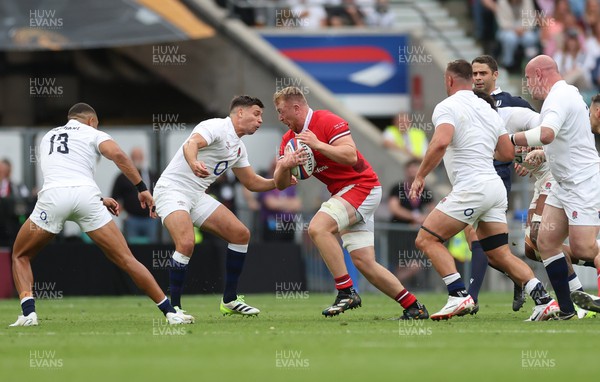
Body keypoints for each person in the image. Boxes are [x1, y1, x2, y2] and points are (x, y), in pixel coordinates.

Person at [9, 103, 193, 326]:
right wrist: (142, 189)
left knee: (20, 255)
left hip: (53, 199)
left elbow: (63, 176)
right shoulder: (92, 133)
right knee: (126, 259)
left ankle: (29, 314)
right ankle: (170, 312)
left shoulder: (49, 135)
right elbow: (118, 155)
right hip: (87, 199)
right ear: (91, 121)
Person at [410, 60, 559, 321]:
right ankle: (544, 300)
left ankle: (458, 294)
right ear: (471, 79)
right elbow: (506, 152)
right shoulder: (488, 108)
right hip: (494, 187)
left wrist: (420, 175)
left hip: (472, 187)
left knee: (426, 239)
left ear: (449, 80)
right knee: (498, 253)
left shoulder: (447, 106)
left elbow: (440, 142)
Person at [273, 86, 429, 320]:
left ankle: (345, 291)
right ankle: (414, 307)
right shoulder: (289, 140)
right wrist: (285, 165)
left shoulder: (326, 120)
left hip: (362, 186)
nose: (280, 117)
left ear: (296, 108)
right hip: (345, 194)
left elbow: (351, 155)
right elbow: (281, 183)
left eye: (282, 111)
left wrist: (318, 145)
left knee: (318, 227)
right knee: (365, 263)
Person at [154, 95, 278, 316]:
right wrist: (193, 162)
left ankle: (229, 300)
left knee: (241, 234)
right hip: (172, 189)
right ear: (240, 112)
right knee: (186, 242)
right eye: (256, 114)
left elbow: (251, 182)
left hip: (196, 195)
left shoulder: (239, 148)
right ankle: (175, 308)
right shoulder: (216, 126)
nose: (260, 121)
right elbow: (192, 144)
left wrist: (278, 181)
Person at [511, 55, 600, 318]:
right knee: (545, 242)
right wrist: (543, 154)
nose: (528, 85)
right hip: (564, 183)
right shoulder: (567, 94)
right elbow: (564, 140)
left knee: (584, 248)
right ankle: (567, 309)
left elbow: (547, 133)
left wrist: (509, 138)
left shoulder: (558, 96)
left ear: (539, 74)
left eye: (528, 78)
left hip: (581, 182)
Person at [468, 55, 535, 312]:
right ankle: (520, 276)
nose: (477, 78)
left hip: (496, 176)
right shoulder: (468, 102)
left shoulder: (511, 103)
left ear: (495, 75)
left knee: (477, 237)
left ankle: (470, 298)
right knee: (488, 245)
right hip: (471, 175)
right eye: (474, 73)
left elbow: (541, 128)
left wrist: (527, 154)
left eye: (483, 73)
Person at [111, 147, 159, 244]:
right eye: (135, 157)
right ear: (130, 158)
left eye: (139, 157)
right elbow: (114, 198)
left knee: (152, 247)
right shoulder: (122, 177)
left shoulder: (152, 175)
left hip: (150, 219)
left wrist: (158, 212)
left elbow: (160, 193)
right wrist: (124, 214)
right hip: (131, 219)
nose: (137, 159)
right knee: (132, 248)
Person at [258, 160, 302, 242]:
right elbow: (271, 204)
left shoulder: (290, 182)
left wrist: (279, 202)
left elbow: (297, 204)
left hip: (289, 224)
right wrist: (288, 204)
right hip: (271, 225)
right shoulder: (266, 182)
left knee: (289, 250)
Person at [494, 0, 539, 71]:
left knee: (530, 38)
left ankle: (531, 63)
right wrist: (514, 29)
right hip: (507, 29)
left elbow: (531, 19)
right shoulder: (502, 2)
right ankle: (508, 63)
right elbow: (502, 21)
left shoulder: (527, 1)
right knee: (510, 38)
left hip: (525, 29)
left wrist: (524, 28)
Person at [0, 159, 31, 246]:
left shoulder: (17, 186)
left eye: (4, 171)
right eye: (1, 171)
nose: (2, 173)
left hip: (12, 223)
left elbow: (26, 200)